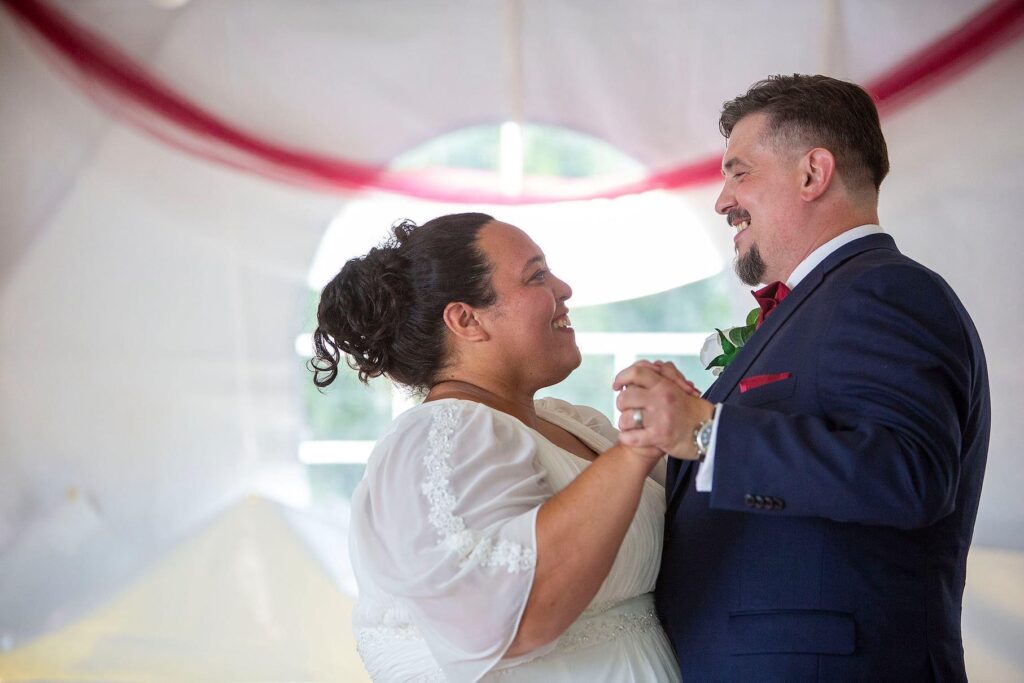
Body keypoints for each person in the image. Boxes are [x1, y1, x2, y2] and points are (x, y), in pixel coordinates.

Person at [615, 74, 990, 681]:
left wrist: (708, 434)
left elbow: (908, 475)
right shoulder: (820, 302)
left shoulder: (885, 290)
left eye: (740, 172)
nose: (721, 199)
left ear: (813, 174)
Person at [311, 213, 681, 682]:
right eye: (537, 275)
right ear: (466, 320)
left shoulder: (573, 423)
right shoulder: (438, 438)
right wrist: (639, 447)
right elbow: (508, 620)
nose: (563, 289)